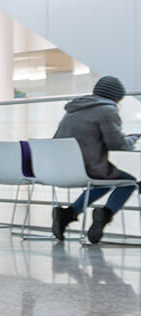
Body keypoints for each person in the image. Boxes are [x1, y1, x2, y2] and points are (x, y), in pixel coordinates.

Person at [52, 75, 137, 243]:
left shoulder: (72, 110)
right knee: (128, 183)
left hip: (61, 168)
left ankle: (67, 214)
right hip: (88, 167)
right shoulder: (107, 110)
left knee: (104, 182)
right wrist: (132, 139)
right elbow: (117, 144)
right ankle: (104, 215)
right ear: (116, 96)